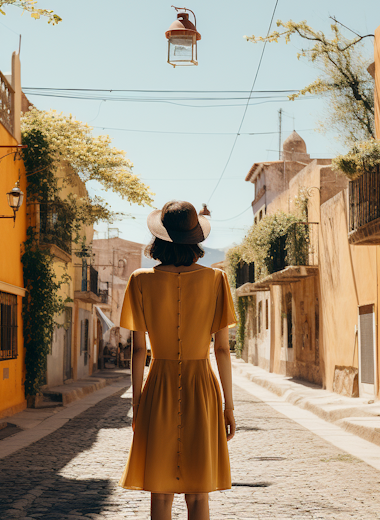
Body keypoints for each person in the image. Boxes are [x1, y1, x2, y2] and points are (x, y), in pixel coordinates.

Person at [119, 200, 236, 520]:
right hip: (203, 388)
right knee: (199, 496)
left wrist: (137, 402)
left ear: (159, 239)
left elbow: (139, 350)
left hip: (158, 386)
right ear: (195, 240)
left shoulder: (140, 280)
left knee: (160, 495)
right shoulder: (216, 280)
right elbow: (222, 350)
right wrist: (228, 406)